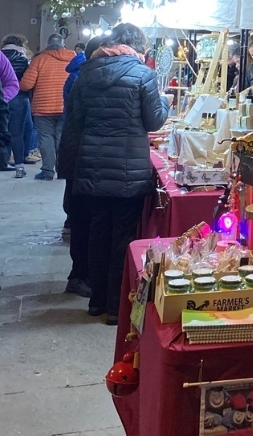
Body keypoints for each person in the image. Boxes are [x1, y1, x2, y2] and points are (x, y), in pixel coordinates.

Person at [66, 24, 169, 324]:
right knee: (122, 236)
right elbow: (154, 121)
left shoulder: (87, 73)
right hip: (127, 169)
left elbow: (75, 120)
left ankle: (96, 301)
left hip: (92, 166)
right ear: (138, 47)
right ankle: (115, 306)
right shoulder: (143, 75)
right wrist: (163, 100)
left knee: (97, 232)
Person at [57, 36, 104, 299]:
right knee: (83, 220)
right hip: (80, 156)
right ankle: (79, 276)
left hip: (77, 154)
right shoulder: (84, 77)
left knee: (82, 218)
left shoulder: (81, 73)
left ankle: (81, 274)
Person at [20, 33, 74, 180]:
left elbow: (26, 85)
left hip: (43, 108)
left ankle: (47, 171)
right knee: (61, 139)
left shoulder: (39, 59)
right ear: (63, 44)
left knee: (46, 138)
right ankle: (62, 171)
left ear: (47, 44)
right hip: (65, 106)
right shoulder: (73, 59)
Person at [2, 34, 32, 176]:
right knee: (17, 133)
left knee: (3, 130)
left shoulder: (2, 56)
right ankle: (19, 166)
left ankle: (4, 160)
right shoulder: (23, 58)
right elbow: (27, 81)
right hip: (19, 98)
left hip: (2, 97)